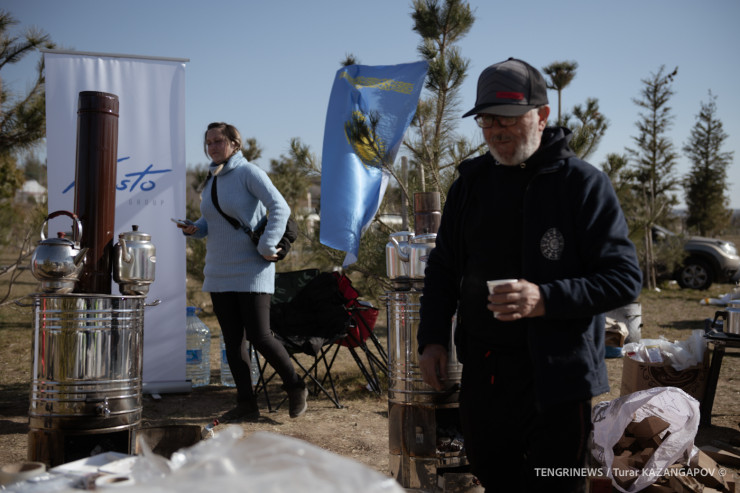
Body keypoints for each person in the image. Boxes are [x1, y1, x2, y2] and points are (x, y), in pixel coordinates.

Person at [416, 58, 642, 492]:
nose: (497, 130)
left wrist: (545, 299)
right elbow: (442, 269)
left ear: (542, 116)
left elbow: (623, 278)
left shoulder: (582, 185)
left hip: (559, 378)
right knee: (495, 478)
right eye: (487, 120)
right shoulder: (470, 186)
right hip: (485, 375)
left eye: (508, 118)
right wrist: (432, 339)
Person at [176, 122, 308, 421]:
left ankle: (295, 386)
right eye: (208, 142)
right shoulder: (212, 178)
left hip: (252, 269)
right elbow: (212, 221)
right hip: (218, 271)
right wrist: (194, 228)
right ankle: (246, 404)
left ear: (234, 143)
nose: (212, 147)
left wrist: (267, 243)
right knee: (233, 341)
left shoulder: (249, 172)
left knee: (260, 337)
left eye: (218, 141)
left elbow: (280, 207)